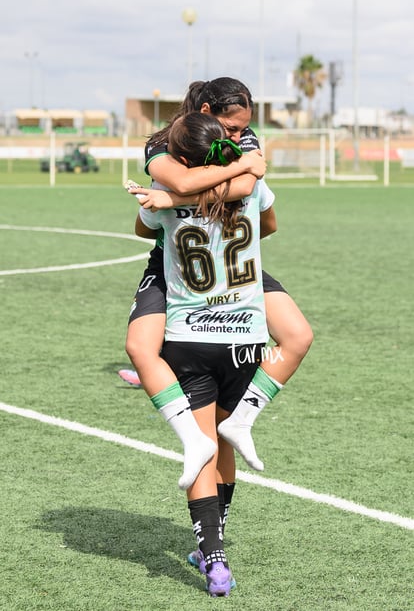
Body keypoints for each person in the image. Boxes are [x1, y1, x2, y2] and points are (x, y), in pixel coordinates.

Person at [124, 77, 313, 474]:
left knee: (296, 335)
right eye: (234, 130)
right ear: (207, 113)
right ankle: (181, 406)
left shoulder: (242, 140)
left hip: (229, 260)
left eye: (246, 130)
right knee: (142, 346)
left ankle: (241, 420)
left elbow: (247, 184)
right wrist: (174, 195)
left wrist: (173, 199)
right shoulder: (161, 142)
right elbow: (181, 179)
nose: (242, 138)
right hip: (175, 261)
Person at [135, 111, 277, 597]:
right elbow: (270, 222)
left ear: (180, 158)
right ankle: (213, 539)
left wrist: (173, 198)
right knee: (224, 440)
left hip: (190, 333)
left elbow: (142, 227)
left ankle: (215, 560)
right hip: (247, 333)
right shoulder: (251, 188)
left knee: (201, 447)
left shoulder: (163, 201)